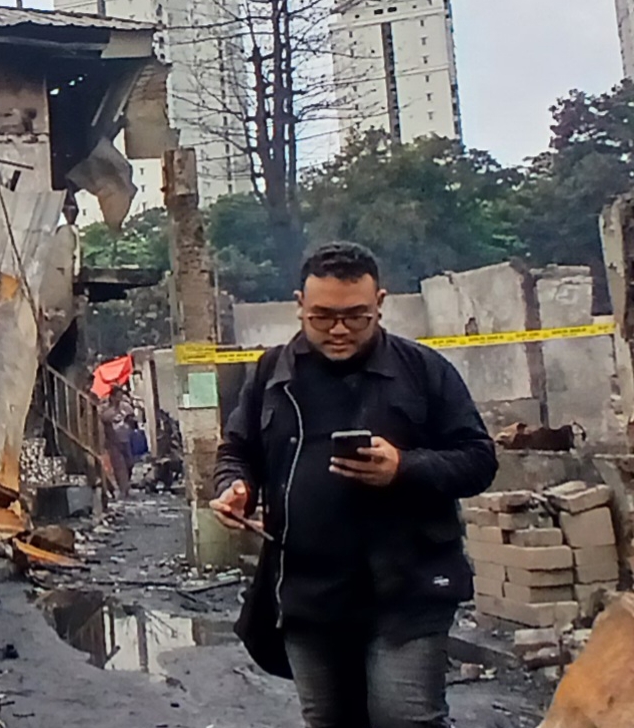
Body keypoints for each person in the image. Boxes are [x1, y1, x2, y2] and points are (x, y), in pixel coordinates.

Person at [212, 242, 496, 728]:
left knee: (405, 718)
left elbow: (478, 460)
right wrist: (235, 486)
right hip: (308, 592)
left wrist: (404, 467)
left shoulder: (422, 370)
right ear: (299, 304)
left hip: (407, 588)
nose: (339, 329)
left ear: (380, 303)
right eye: (322, 316)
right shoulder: (270, 374)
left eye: (356, 317)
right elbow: (237, 451)